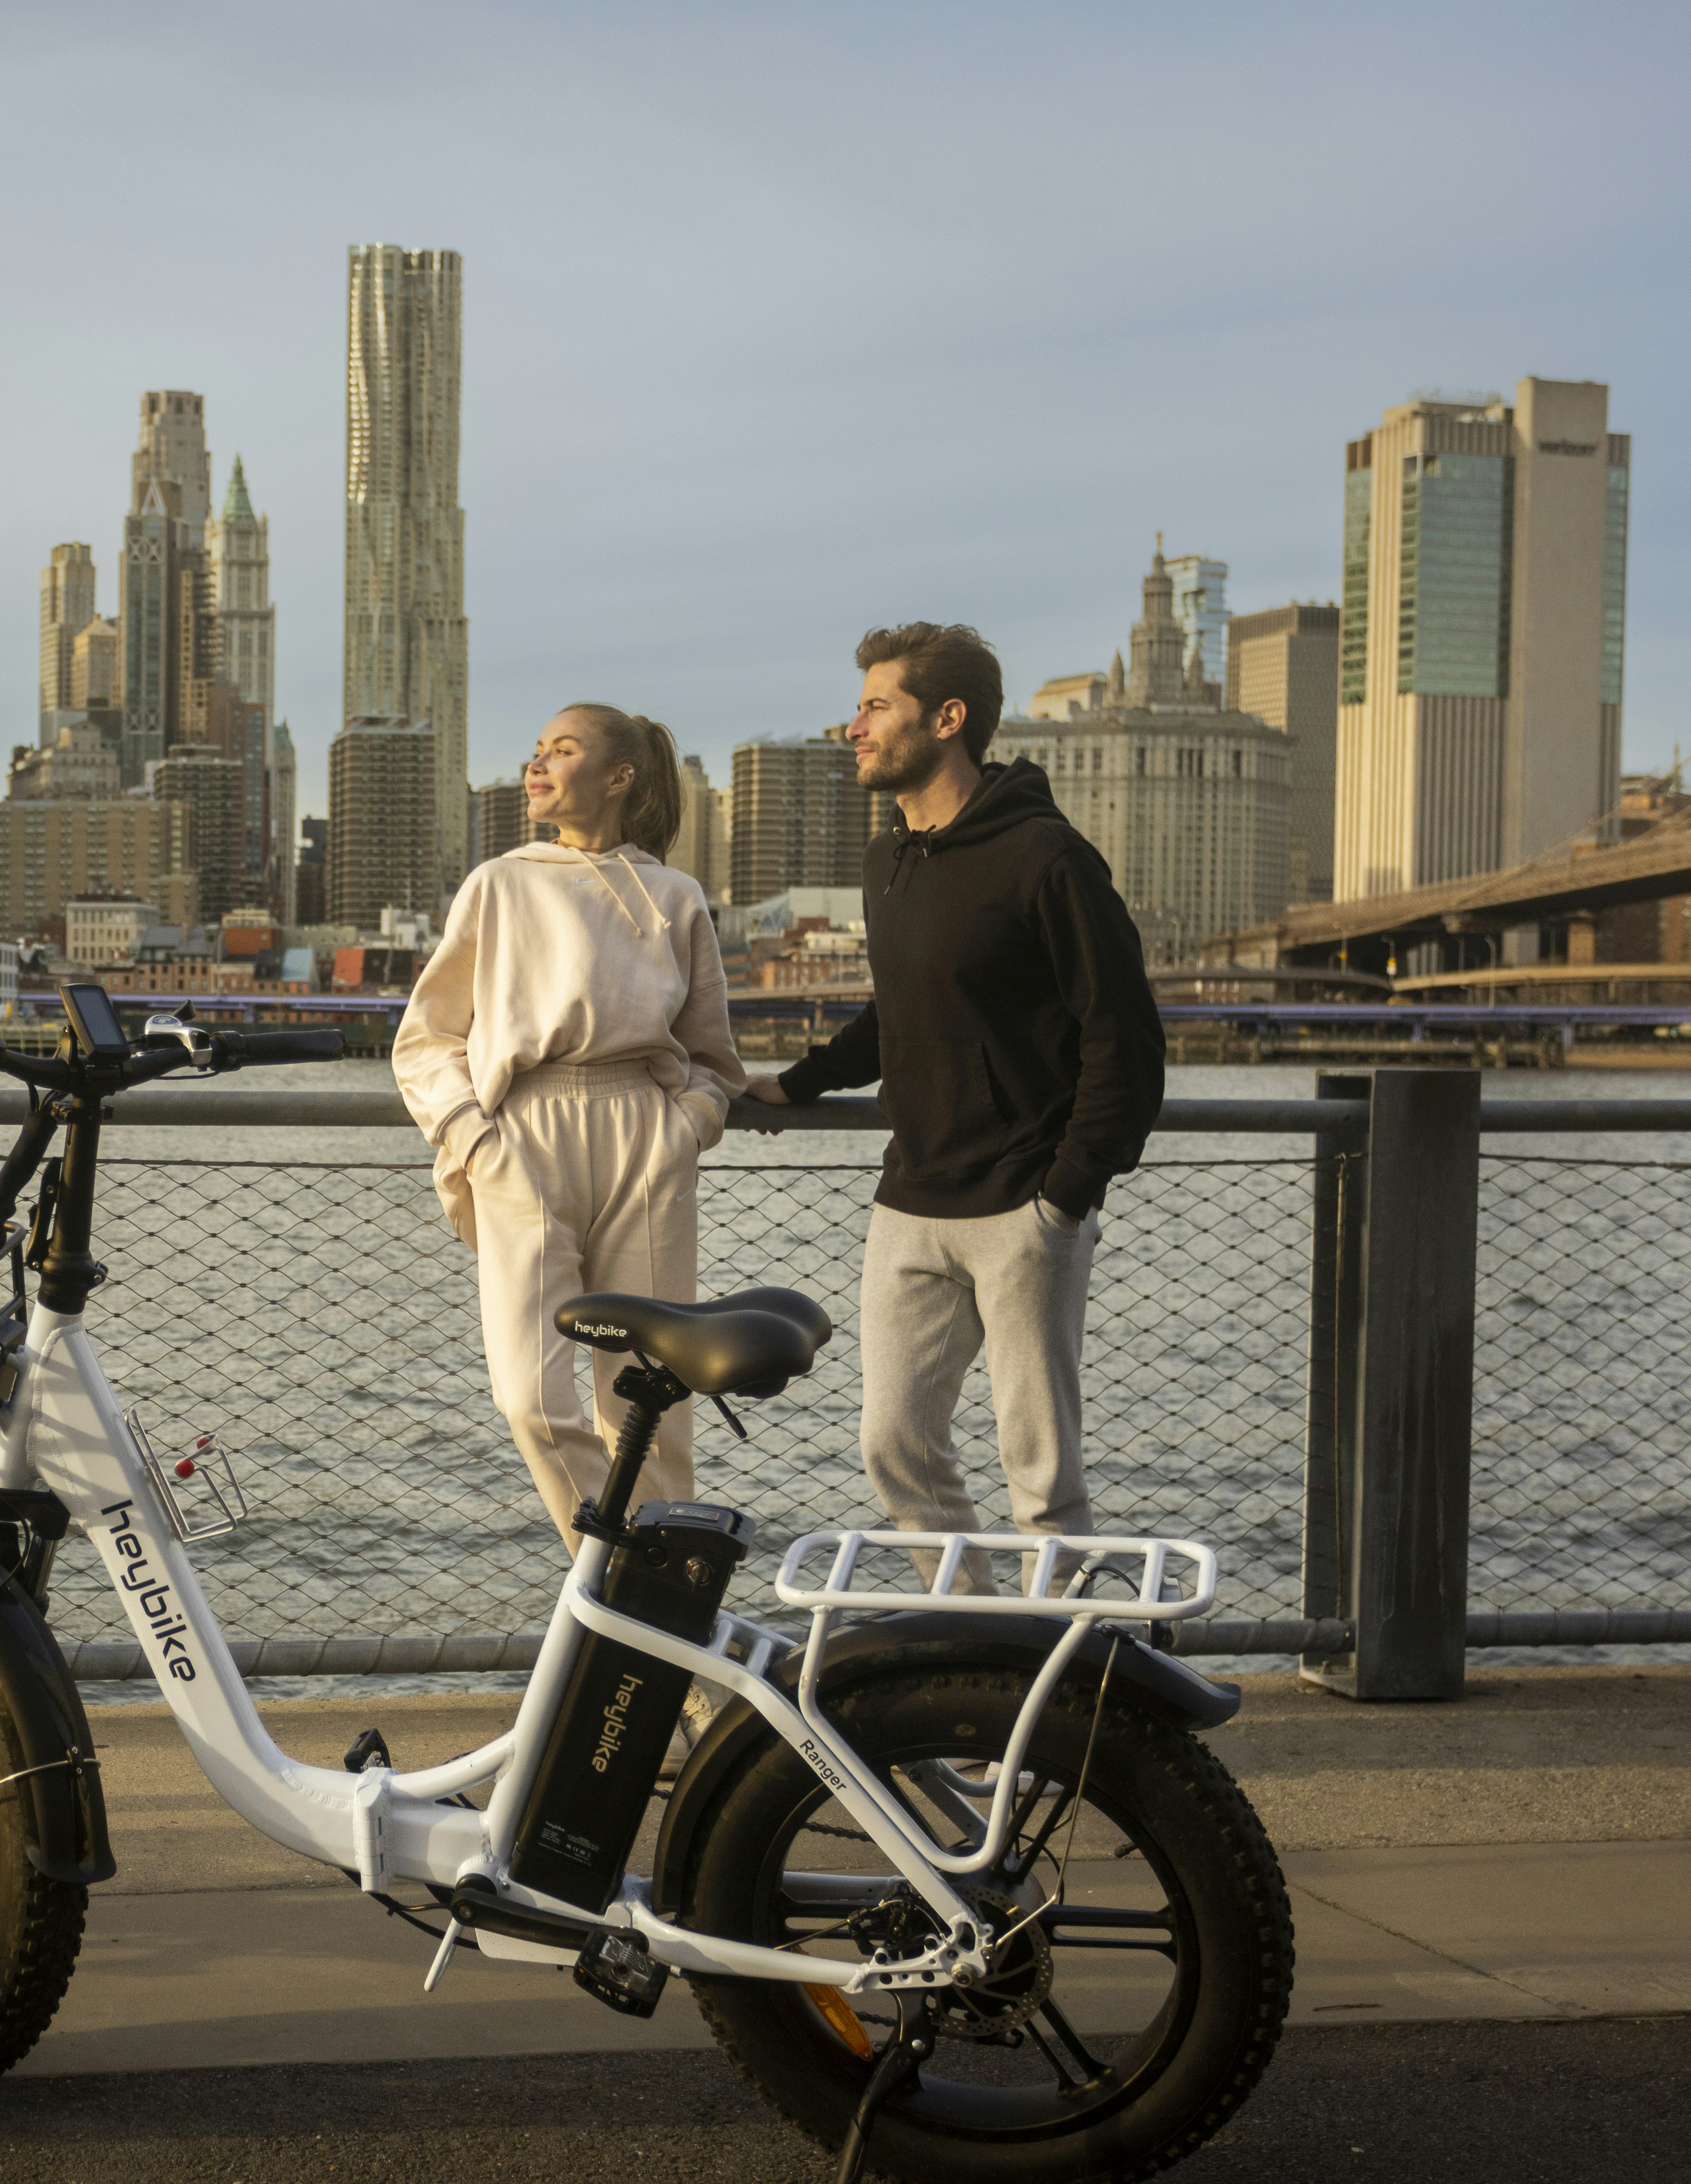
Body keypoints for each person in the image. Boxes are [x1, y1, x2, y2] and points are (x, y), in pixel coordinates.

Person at [762, 622, 1164, 1564]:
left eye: (874, 706)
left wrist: (1065, 1195)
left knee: (1042, 1474)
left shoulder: (1046, 857)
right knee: (894, 1444)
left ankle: (1060, 1678)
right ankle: (980, 1639)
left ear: (947, 719)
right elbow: (899, 1010)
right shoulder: (888, 858)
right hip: (911, 1199)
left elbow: (1125, 1035)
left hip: (1024, 1203)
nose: (851, 727)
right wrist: (797, 1081)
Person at [396, 705, 748, 1550]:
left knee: (655, 1407)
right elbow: (426, 1039)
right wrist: (477, 1142)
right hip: (525, 1135)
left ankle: (665, 1634)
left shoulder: (674, 894)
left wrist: (687, 1127)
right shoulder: (499, 883)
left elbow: (713, 1057)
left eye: (562, 751)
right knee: (531, 1399)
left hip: (644, 1136)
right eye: (536, 750)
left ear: (620, 777)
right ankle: (624, 1581)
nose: (536, 765)